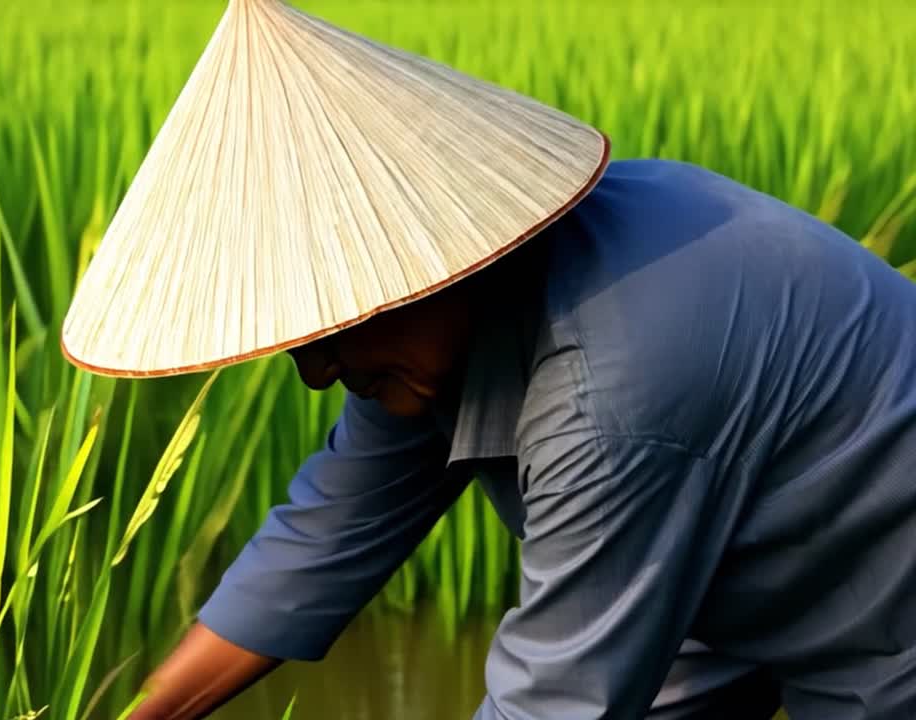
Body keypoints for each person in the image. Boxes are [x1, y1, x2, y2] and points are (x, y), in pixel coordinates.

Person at [59, 1, 916, 717]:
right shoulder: (445, 336)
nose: (315, 372)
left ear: (438, 263)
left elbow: (551, 703)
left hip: (881, 599)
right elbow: (321, 542)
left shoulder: (606, 393)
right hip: (724, 582)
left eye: (332, 331)